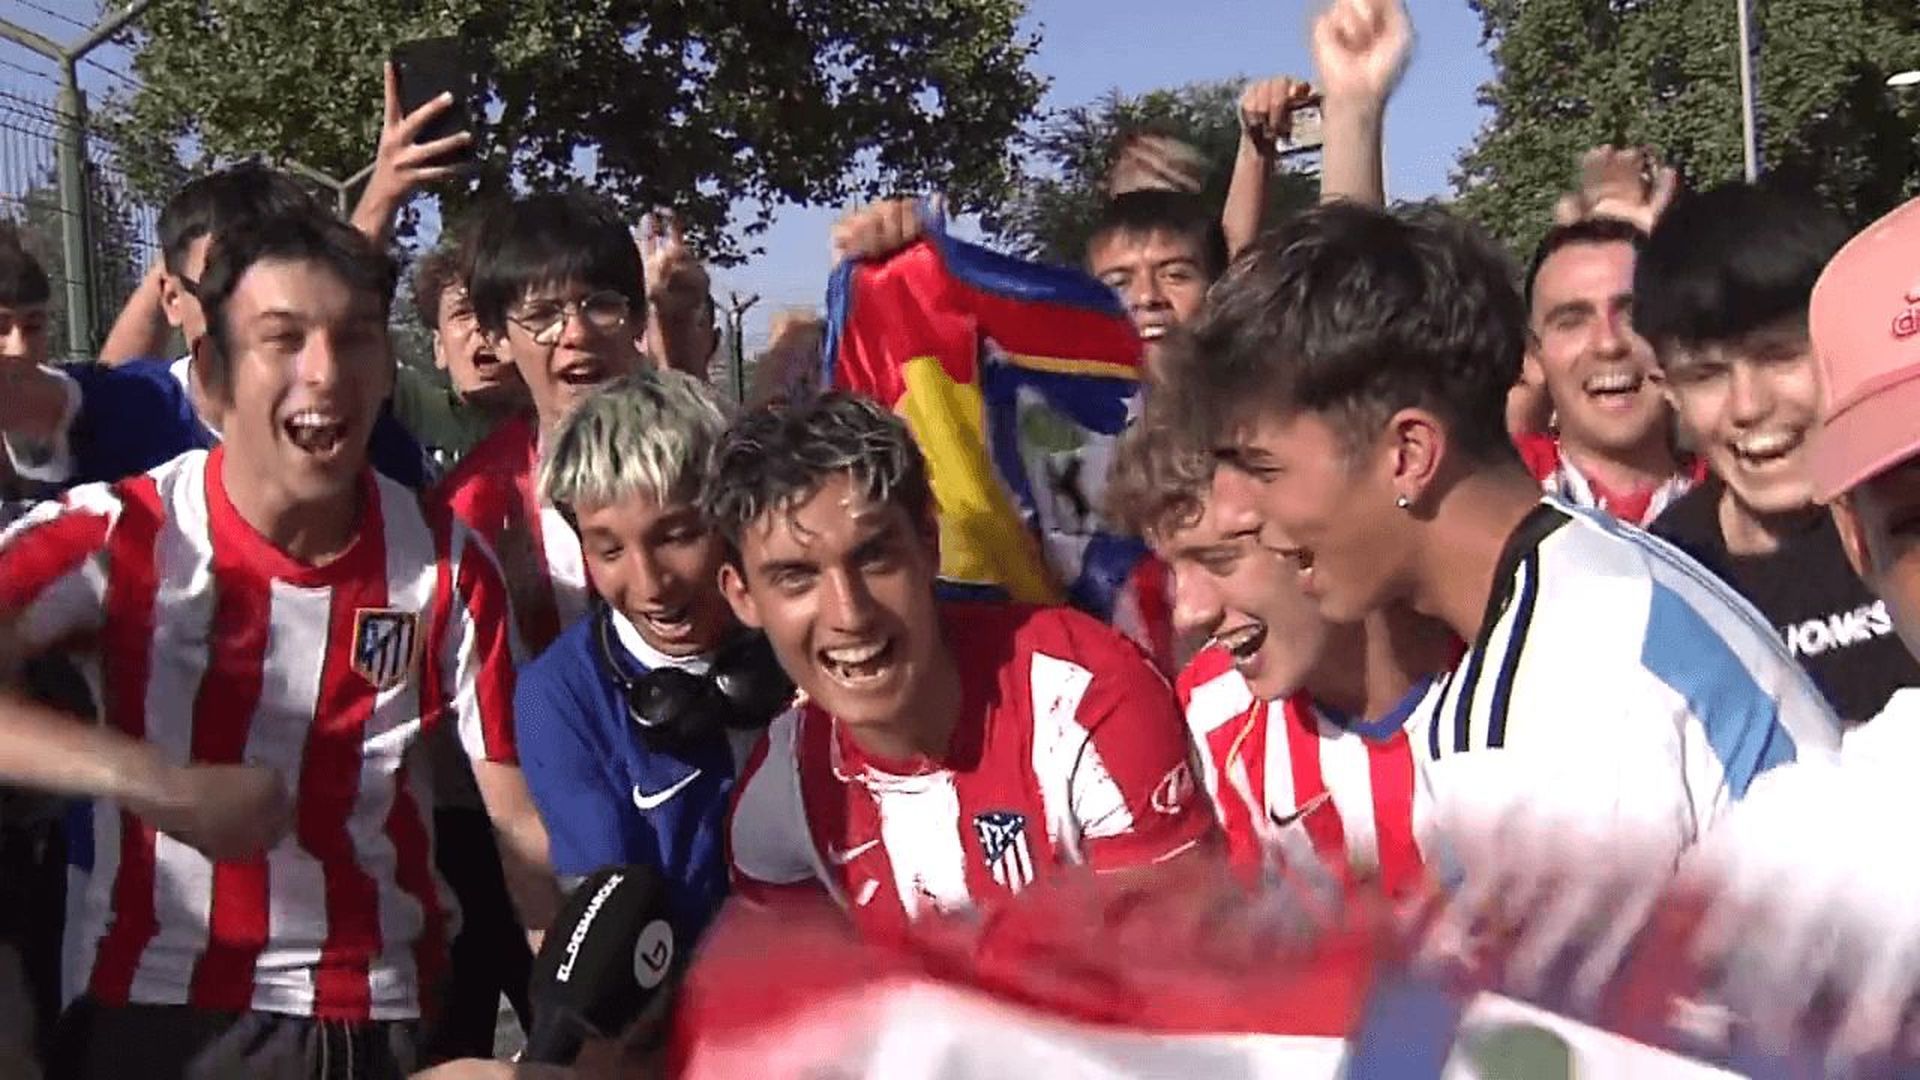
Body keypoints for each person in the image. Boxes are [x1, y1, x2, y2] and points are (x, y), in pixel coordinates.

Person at [0, 208, 549, 1077]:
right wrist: (155, 782)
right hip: (165, 1014)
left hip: (385, 1013)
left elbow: (520, 823)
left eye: (356, 338)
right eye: (283, 339)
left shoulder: (445, 561)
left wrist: (567, 1031)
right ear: (212, 378)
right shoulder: (119, 534)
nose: (324, 373)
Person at [1173, 201, 1840, 863]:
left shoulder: (1547, 699)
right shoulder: (1597, 574)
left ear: (1407, 456)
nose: (1252, 519)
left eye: (1265, 470)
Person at [713, 392, 1218, 939]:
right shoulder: (781, 791)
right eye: (796, 577)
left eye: (874, 558)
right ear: (742, 597)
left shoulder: (1083, 699)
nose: (849, 613)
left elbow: (1177, 990)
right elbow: (798, 1009)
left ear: (929, 545)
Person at [1105, 400, 1456, 892]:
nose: (1188, 614)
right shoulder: (1216, 716)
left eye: (1219, 559)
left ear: (1315, 527)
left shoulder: (1511, 658)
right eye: (1173, 570)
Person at [1639, 182, 1920, 726]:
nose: (1748, 406)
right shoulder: (1665, 581)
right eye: (1707, 374)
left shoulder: (1904, 526)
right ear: (1667, 388)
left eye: (1779, 356)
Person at [516, 370, 782, 923]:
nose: (650, 584)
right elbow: (615, 913)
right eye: (609, 550)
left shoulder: (804, 629)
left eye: (677, 536)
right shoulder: (558, 697)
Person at [20, 164, 433, 492]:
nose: (246, 313)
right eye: (219, 286)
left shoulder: (379, 454)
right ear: (171, 297)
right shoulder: (109, 414)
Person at [433, 191, 650, 657]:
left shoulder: (715, 466)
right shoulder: (470, 507)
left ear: (639, 318)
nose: (576, 334)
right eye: (542, 316)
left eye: (600, 305)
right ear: (497, 339)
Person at [1514, 215, 1703, 526]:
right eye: (1572, 320)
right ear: (1535, 357)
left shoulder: (1742, 496)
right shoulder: (1492, 494)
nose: (1608, 344)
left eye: (1633, 315)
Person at [395, 231, 528, 469]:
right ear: (439, 348)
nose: (482, 325)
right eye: (463, 313)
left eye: (497, 310)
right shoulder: (412, 407)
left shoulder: (566, 427)